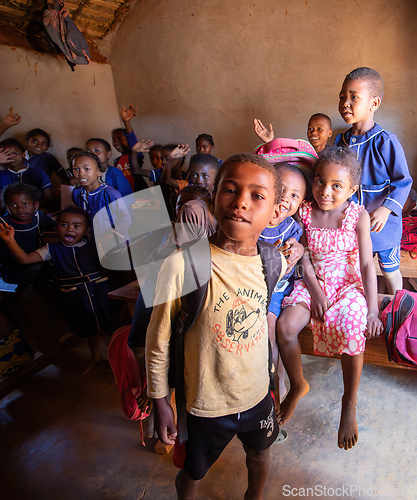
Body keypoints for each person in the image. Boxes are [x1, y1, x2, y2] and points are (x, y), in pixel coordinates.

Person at [146, 152, 287, 499]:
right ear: (212, 200)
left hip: (256, 395)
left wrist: (273, 383)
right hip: (205, 404)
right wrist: (160, 399)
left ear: (275, 213)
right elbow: (158, 340)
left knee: (260, 454)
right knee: (192, 473)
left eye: (257, 196)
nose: (240, 202)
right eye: (230, 190)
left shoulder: (274, 262)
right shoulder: (183, 266)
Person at [276, 146, 383, 450]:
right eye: (320, 181)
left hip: (347, 284)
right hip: (313, 281)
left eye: (337, 186)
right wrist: (315, 289)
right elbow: (304, 256)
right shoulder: (305, 211)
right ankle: (298, 384)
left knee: (352, 328)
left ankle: (349, 401)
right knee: (285, 326)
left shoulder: (357, 216)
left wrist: (372, 310)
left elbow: (365, 264)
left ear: (353, 189)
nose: (325, 191)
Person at [0, 207, 119, 374]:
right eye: (64, 224)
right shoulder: (51, 249)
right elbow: (24, 259)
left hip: (100, 292)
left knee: (111, 329)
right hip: (76, 296)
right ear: (57, 227)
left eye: (77, 226)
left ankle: (119, 364)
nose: (70, 229)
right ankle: (96, 356)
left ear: (87, 230)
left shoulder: (94, 246)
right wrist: (9, 240)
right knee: (90, 328)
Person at [335, 67, 412, 294]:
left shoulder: (386, 141)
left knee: (390, 271)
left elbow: (403, 180)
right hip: (352, 223)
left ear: (374, 103)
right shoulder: (341, 141)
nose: (345, 103)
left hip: (382, 224)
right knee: (358, 269)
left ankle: (398, 308)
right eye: (342, 97)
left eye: (353, 97)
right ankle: (368, 312)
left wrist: (387, 209)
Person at [258, 163, 307, 403]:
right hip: (254, 286)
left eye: (294, 195)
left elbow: (292, 264)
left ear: (300, 203)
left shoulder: (292, 228)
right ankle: (268, 381)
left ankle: (277, 381)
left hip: (277, 288)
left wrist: (296, 251)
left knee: (271, 327)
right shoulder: (254, 219)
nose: (285, 199)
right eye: (281, 190)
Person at [0, 182, 55, 286]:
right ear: (6, 206)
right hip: (11, 268)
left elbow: (53, 228)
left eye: (25, 204)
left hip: (35, 259)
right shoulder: (3, 224)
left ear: (36, 205)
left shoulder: (39, 217)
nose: (20, 209)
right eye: (13, 205)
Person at [71, 151, 131, 239]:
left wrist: (110, 237)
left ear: (99, 172)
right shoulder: (77, 193)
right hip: (90, 240)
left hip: (114, 242)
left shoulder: (110, 193)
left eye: (86, 169)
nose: (80, 173)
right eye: (76, 169)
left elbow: (125, 219)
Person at [0, 138, 53, 207]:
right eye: (6, 154)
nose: (11, 157)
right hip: (8, 214)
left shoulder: (38, 172)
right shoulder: (2, 175)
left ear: (23, 154)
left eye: (15, 154)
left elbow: (48, 197)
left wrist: (33, 209)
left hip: (36, 211)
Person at [254, 115, 333, 154]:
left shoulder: (333, 156)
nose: (314, 132)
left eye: (319, 129)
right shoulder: (302, 153)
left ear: (329, 133)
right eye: (310, 129)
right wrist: (269, 142)